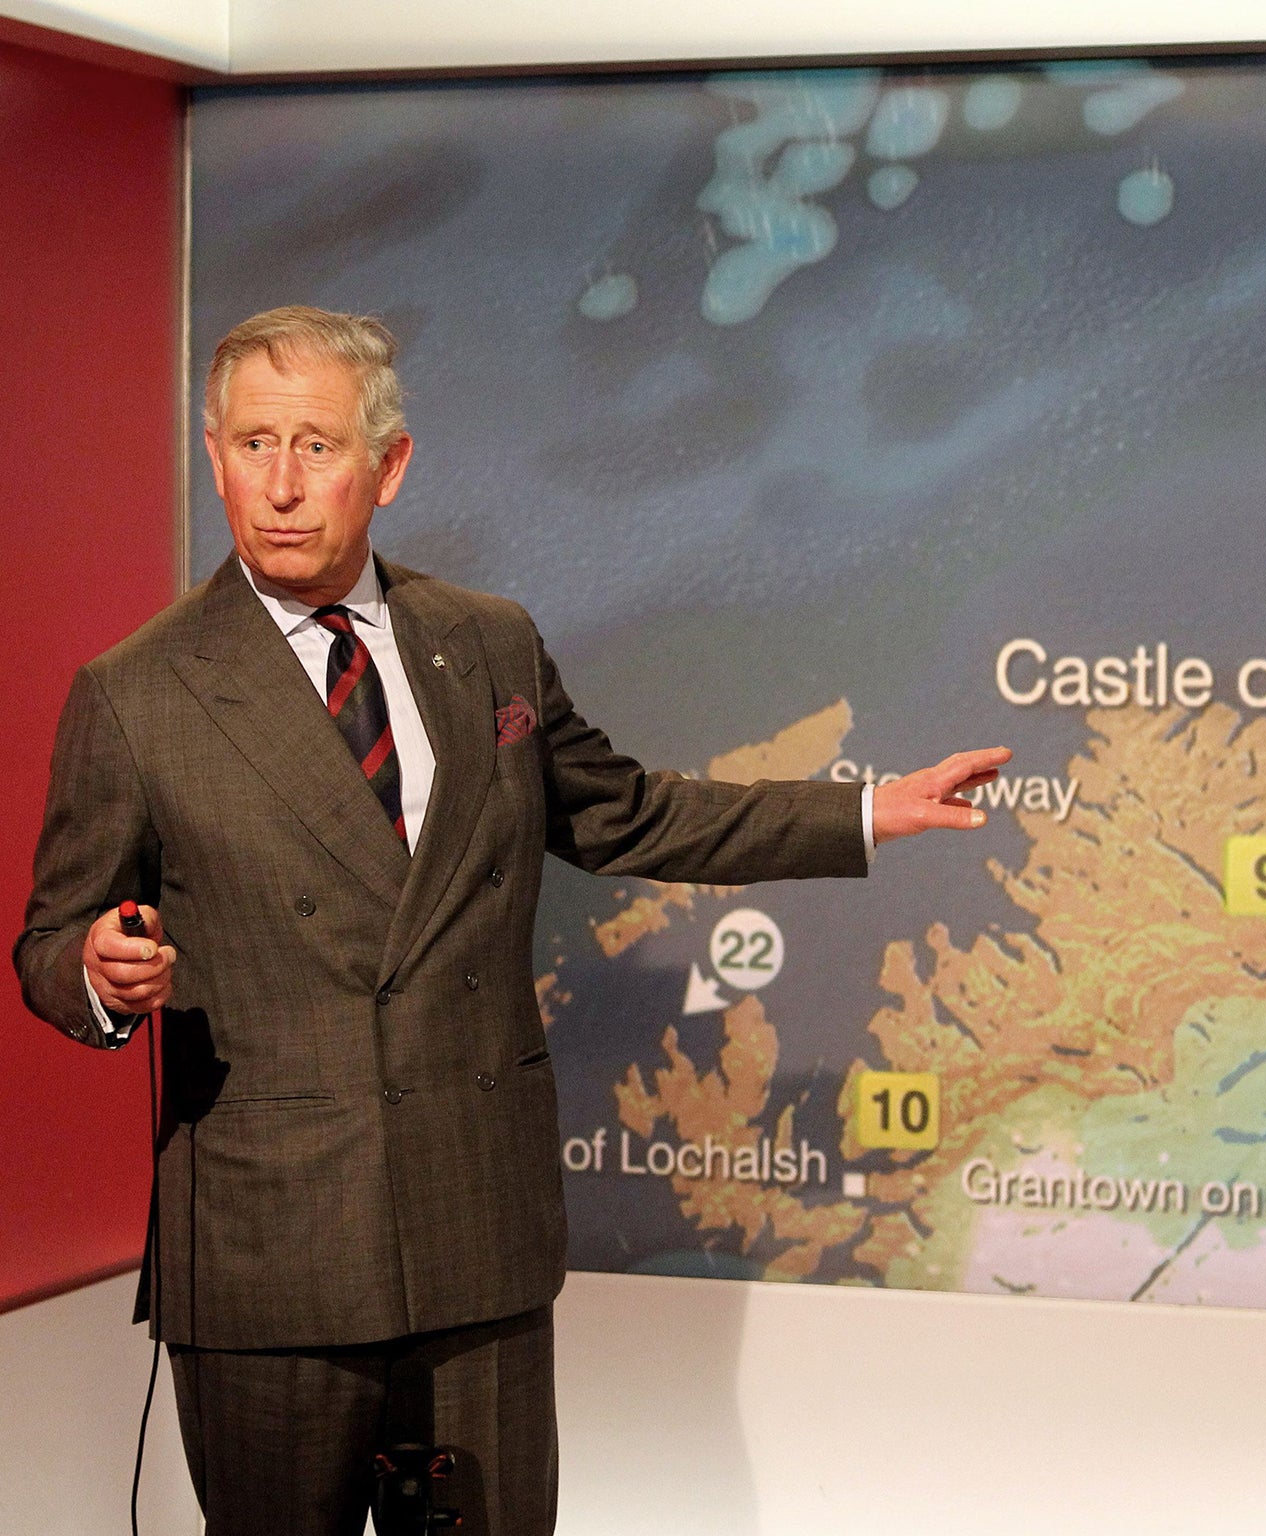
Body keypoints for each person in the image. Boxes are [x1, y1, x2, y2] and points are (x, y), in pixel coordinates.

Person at [12, 305, 1010, 1535]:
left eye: (314, 446)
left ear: (390, 465)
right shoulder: (138, 692)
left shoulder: (482, 642)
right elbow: (48, 944)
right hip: (272, 1252)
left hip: (471, 1232)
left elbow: (630, 815)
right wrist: (103, 976)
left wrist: (862, 811)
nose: (278, 484)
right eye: (251, 444)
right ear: (211, 453)